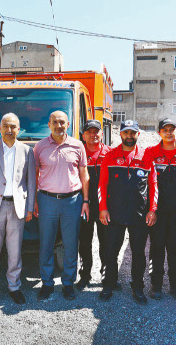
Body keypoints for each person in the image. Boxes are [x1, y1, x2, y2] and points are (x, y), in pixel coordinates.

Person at [0, 113, 36, 305]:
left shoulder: (28, 151)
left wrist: (29, 208)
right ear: (0, 128)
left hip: (17, 207)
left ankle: (14, 287)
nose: (9, 130)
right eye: (5, 126)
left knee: (15, 251)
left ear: (19, 129)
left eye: (13, 127)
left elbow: (31, 182)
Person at [98, 119, 157, 304]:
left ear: (138, 134)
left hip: (139, 215)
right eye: (126, 132)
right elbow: (102, 184)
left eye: (133, 133)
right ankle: (109, 284)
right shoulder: (110, 156)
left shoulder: (146, 157)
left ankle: (138, 287)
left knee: (138, 253)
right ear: (120, 134)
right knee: (110, 251)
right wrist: (103, 209)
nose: (129, 136)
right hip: (114, 214)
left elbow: (153, 185)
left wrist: (153, 210)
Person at [33, 111, 89, 301]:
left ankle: (68, 284)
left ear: (68, 124)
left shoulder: (77, 145)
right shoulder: (40, 147)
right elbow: (33, 175)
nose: (58, 125)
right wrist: (33, 200)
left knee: (71, 244)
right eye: (55, 122)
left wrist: (86, 201)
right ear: (49, 124)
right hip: (46, 200)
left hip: (72, 202)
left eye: (62, 122)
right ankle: (47, 284)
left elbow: (84, 174)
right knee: (46, 244)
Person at [145, 119, 176, 302]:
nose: (168, 133)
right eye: (164, 130)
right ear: (159, 133)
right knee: (156, 249)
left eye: (171, 130)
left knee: (175, 250)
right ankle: (155, 285)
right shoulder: (150, 153)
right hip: (157, 213)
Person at [77, 119, 111, 289]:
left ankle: (107, 275)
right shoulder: (78, 153)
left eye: (96, 131)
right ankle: (85, 275)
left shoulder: (110, 153)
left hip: (105, 206)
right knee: (84, 241)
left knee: (106, 241)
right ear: (83, 135)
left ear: (102, 134)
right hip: (85, 205)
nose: (93, 135)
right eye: (89, 132)